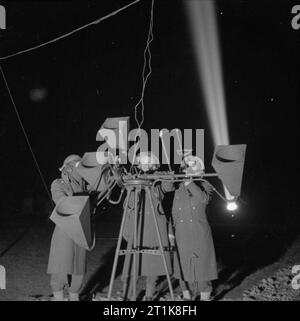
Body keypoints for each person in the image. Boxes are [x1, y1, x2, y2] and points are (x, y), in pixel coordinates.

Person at [121, 151, 173, 301]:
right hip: (138, 228)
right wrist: (135, 187)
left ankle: (149, 296)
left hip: (155, 228)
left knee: (153, 265)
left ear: (153, 164)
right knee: (133, 265)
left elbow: (168, 187)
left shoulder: (157, 183)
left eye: (148, 161)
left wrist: (165, 175)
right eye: (142, 161)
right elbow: (128, 204)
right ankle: (129, 296)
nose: (145, 164)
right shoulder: (132, 180)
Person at [170, 155, 218, 301]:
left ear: (200, 170)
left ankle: (205, 297)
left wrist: (190, 183)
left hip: (199, 233)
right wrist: (171, 234)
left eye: (192, 167)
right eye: (186, 167)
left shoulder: (205, 184)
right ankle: (186, 296)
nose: (188, 169)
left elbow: (204, 199)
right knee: (182, 266)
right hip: (181, 234)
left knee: (203, 266)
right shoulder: (178, 189)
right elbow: (174, 213)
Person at [47, 154, 88, 301]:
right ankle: (58, 297)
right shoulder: (59, 183)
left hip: (81, 230)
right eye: (77, 166)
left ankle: (74, 296)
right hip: (64, 229)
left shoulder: (85, 185)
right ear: (68, 168)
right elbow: (60, 199)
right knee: (60, 265)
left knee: (78, 267)